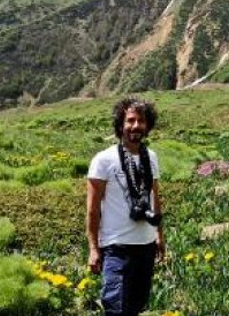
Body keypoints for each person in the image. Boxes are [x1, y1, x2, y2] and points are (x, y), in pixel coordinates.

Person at [86, 98, 164, 316]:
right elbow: (92, 209)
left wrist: (159, 235)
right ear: (120, 125)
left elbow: (154, 197)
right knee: (115, 308)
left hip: (145, 246)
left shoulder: (152, 157)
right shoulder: (103, 160)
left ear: (148, 126)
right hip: (116, 248)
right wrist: (93, 248)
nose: (136, 126)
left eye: (141, 121)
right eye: (130, 120)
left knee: (136, 306)